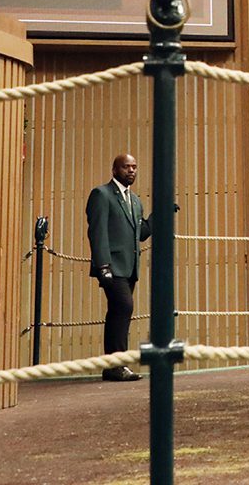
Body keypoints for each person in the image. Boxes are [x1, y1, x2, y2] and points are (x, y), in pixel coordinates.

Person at [86, 153, 152, 381]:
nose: (131, 171)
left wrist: (159, 216)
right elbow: (97, 232)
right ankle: (116, 365)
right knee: (124, 307)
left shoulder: (135, 201)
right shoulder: (101, 194)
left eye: (134, 167)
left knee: (119, 312)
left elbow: (140, 234)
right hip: (112, 266)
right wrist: (102, 265)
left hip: (129, 267)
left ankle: (113, 366)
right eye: (126, 167)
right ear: (115, 170)